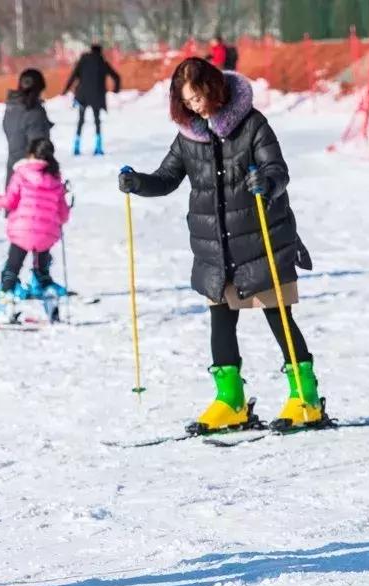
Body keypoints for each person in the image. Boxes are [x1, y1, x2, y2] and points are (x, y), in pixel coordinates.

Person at [117, 58, 323, 433]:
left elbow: (278, 169)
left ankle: (305, 397)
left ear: (213, 87)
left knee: (278, 317)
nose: (195, 106)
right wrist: (139, 183)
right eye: (188, 101)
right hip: (215, 247)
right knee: (221, 322)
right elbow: (167, 177)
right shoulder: (189, 135)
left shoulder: (251, 123)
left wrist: (266, 181)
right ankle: (231, 400)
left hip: (260, 240)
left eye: (198, 97)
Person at [0, 138, 70, 320]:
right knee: (42, 272)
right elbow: (63, 215)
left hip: (23, 232)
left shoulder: (21, 174)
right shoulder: (56, 179)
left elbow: (8, 202)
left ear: (30, 154)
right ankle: (50, 299)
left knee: (12, 270)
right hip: (46, 235)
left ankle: (6, 303)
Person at [62, 43, 121, 156]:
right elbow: (116, 77)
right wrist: (115, 90)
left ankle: (76, 147)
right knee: (97, 121)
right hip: (96, 96)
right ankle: (98, 148)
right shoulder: (102, 62)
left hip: (82, 95)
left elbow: (73, 76)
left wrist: (65, 90)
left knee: (80, 120)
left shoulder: (83, 61)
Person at [3, 68, 52, 187]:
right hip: (31, 179)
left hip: (13, 172)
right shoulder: (34, 112)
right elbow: (39, 148)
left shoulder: (12, 108)